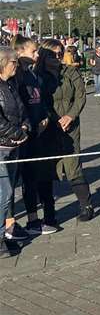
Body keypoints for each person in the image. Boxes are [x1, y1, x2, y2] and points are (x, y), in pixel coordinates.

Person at [37, 39, 94, 222]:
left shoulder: (71, 72)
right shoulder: (38, 76)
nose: (59, 56)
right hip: (48, 128)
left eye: (60, 52)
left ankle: (86, 205)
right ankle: (49, 212)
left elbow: (80, 96)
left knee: (73, 166)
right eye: (54, 53)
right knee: (48, 169)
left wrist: (70, 116)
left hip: (71, 127)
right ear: (45, 55)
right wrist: (54, 119)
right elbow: (39, 101)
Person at [11, 37, 58, 236]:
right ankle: (24, 221)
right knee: (22, 180)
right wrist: (27, 125)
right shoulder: (17, 75)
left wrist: (45, 115)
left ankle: (34, 219)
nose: (37, 55)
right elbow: (17, 105)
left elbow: (41, 99)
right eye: (33, 52)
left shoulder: (33, 73)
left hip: (39, 132)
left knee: (34, 176)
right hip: (24, 134)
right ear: (20, 51)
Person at [0, 47, 29, 258]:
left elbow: (21, 109)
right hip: (2, 147)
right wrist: (16, 132)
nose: (16, 66)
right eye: (13, 63)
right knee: (5, 194)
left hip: (14, 146)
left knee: (8, 195)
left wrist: (26, 125)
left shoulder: (10, 84)